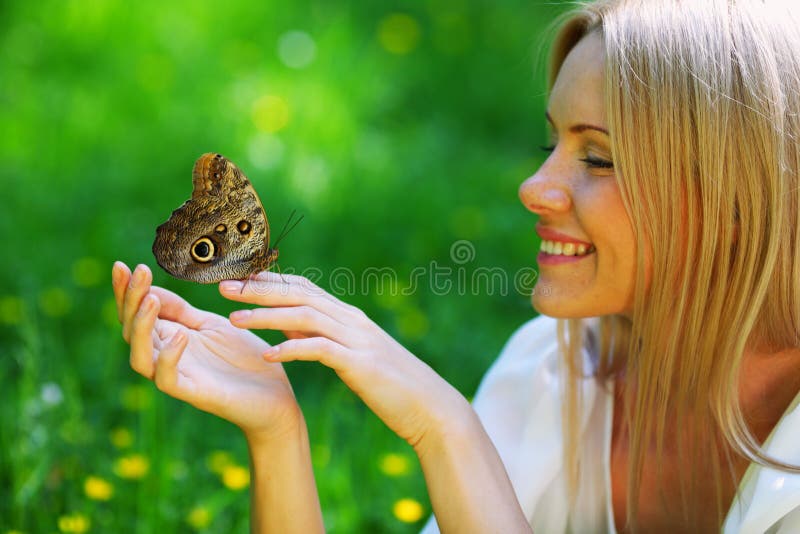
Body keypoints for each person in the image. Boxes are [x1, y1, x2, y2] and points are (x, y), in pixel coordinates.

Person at [111, 0, 800, 531]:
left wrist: (449, 426)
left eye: (598, 157)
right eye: (551, 142)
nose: (534, 187)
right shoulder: (553, 372)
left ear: (743, 199)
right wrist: (276, 430)